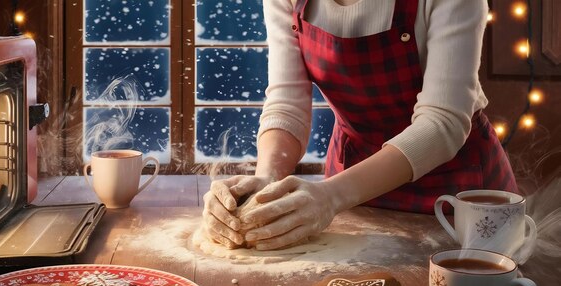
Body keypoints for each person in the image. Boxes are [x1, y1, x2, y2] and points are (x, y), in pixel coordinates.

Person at [202, 0, 517, 251]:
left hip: (458, 194)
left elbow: (442, 123)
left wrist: (331, 197)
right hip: (351, 186)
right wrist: (266, 181)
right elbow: (288, 104)